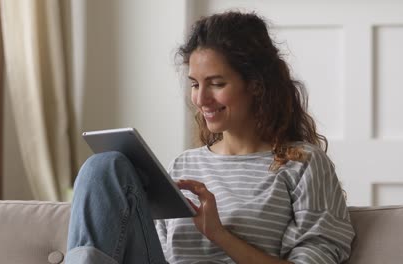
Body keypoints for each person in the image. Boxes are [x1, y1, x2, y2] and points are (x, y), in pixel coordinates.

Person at [66, 11, 355, 264]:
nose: (201, 99)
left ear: (256, 85)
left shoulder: (303, 165)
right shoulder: (183, 165)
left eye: (216, 84)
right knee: (104, 165)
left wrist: (218, 234)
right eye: (194, 84)